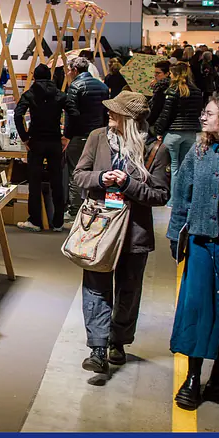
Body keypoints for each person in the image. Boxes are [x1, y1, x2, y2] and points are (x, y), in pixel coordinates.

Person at [74, 91, 170, 374]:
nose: (109, 113)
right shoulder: (97, 137)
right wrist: (100, 178)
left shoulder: (156, 149)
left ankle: (118, 341)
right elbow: (79, 175)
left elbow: (161, 195)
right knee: (95, 286)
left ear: (129, 119)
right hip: (99, 227)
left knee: (129, 291)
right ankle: (97, 348)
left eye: (115, 111)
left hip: (135, 232)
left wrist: (128, 184)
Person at [168, 95, 219, 409]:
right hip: (201, 245)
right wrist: (175, 233)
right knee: (198, 310)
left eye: (209, 113)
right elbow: (181, 194)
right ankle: (192, 377)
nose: (203, 117)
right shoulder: (198, 152)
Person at [14, 64, 77, 232]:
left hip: (36, 141)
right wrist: (67, 136)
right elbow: (74, 113)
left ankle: (35, 221)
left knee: (34, 182)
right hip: (55, 141)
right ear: (50, 77)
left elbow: (18, 115)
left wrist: (25, 137)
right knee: (57, 181)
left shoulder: (30, 94)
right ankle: (58, 222)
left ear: (34, 77)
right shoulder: (59, 94)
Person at [63, 56, 109, 225]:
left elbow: (71, 114)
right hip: (99, 134)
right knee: (95, 172)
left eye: (69, 70)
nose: (68, 73)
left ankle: (75, 210)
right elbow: (106, 112)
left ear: (75, 70)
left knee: (76, 172)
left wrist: (67, 136)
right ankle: (92, 207)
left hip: (80, 135)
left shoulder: (75, 86)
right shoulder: (102, 86)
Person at [154, 62, 202, 204]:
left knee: (172, 167)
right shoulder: (197, 91)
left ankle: (172, 200)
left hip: (173, 132)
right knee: (184, 167)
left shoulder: (172, 91)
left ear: (174, 74)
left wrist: (158, 130)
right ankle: (183, 199)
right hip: (191, 132)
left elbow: (166, 114)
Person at [147, 60, 171, 129]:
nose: (155, 75)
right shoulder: (167, 85)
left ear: (167, 74)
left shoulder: (162, 87)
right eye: (155, 72)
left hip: (158, 124)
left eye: (158, 73)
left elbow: (156, 108)